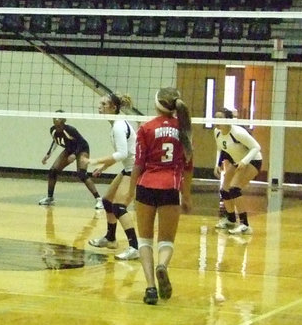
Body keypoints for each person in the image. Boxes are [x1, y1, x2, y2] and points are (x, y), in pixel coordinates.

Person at [130, 87, 193, 305]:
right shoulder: (183, 129)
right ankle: (162, 266)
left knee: (144, 240)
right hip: (170, 188)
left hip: (146, 186)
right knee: (166, 240)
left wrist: (130, 191)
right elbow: (188, 167)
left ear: (157, 105)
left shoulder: (146, 128)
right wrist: (187, 197)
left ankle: (150, 288)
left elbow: (138, 164)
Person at [88, 93, 140, 260]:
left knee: (119, 207)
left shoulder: (118, 126)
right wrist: (103, 167)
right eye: (100, 103)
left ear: (114, 108)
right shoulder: (116, 124)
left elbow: (122, 154)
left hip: (136, 168)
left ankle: (134, 247)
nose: (100, 107)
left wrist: (96, 160)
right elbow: (123, 155)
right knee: (107, 201)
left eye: (104, 104)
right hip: (129, 167)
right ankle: (110, 239)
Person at [213, 108, 262, 235]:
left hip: (252, 161)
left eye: (220, 118)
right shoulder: (217, 132)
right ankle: (230, 219)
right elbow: (220, 148)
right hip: (237, 161)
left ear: (228, 120)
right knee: (224, 190)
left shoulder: (238, 133)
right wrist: (217, 164)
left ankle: (245, 225)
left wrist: (245, 161)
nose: (217, 121)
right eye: (215, 117)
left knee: (234, 189)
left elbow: (256, 147)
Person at [39, 111, 103, 208]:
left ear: (64, 120)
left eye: (59, 117)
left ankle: (99, 199)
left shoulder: (70, 130)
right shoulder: (53, 130)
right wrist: (48, 155)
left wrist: (74, 154)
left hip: (82, 149)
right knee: (53, 171)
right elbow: (56, 142)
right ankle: (50, 198)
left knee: (81, 173)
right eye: (55, 117)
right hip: (69, 149)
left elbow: (81, 143)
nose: (56, 119)